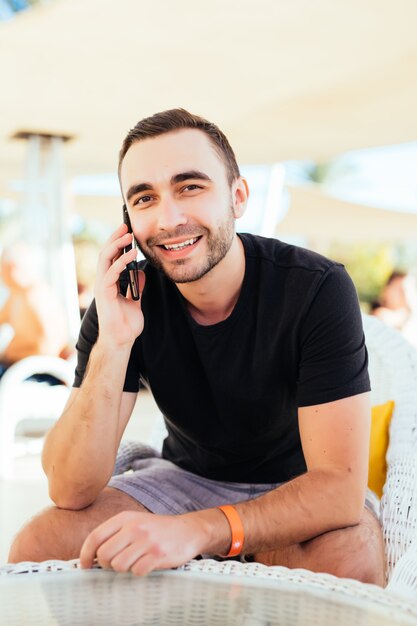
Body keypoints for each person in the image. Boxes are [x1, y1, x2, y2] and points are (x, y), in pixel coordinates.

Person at [9, 109, 384, 585]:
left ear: (238, 196)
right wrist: (115, 342)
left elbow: (336, 490)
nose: (169, 219)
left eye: (190, 187)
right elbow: (69, 486)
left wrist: (197, 532)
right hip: (184, 479)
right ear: (128, 221)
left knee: (350, 562)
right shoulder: (123, 301)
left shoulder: (315, 288)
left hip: (296, 489)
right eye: (144, 198)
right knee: (39, 543)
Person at [0, 242, 69, 375]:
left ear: (12, 267)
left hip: (35, 372)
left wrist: (11, 356)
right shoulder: (16, 295)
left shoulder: (37, 295)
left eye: (1, 268)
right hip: (14, 367)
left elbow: (50, 345)